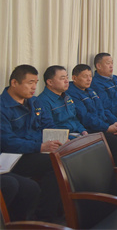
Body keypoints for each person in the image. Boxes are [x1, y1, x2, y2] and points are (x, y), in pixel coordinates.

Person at [0, 65, 61, 221]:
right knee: (54, 163)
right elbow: (8, 142)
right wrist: (39, 147)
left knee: (66, 156)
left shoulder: (34, 101)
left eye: (36, 82)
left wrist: (59, 138)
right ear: (14, 83)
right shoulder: (2, 107)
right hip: (15, 156)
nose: (34, 87)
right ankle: (45, 217)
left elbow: (48, 124)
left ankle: (61, 209)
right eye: (30, 83)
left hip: (36, 149)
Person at [68, 64, 117, 166]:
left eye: (90, 76)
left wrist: (114, 122)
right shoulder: (72, 94)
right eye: (85, 76)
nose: (89, 79)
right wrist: (107, 128)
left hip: (106, 124)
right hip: (93, 129)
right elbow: (86, 118)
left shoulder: (90, 90)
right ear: (74, 78)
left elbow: (103, 108)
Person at [37, 65, 88, 137]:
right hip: (62, 139)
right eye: (62, 78)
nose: (67, 81)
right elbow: (50, 129)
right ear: (50, 82)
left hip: (77, 135)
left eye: (67, 78)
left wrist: (83, 131)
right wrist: (72, 138)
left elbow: (74, 119)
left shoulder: (67, 96)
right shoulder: (43, 101)